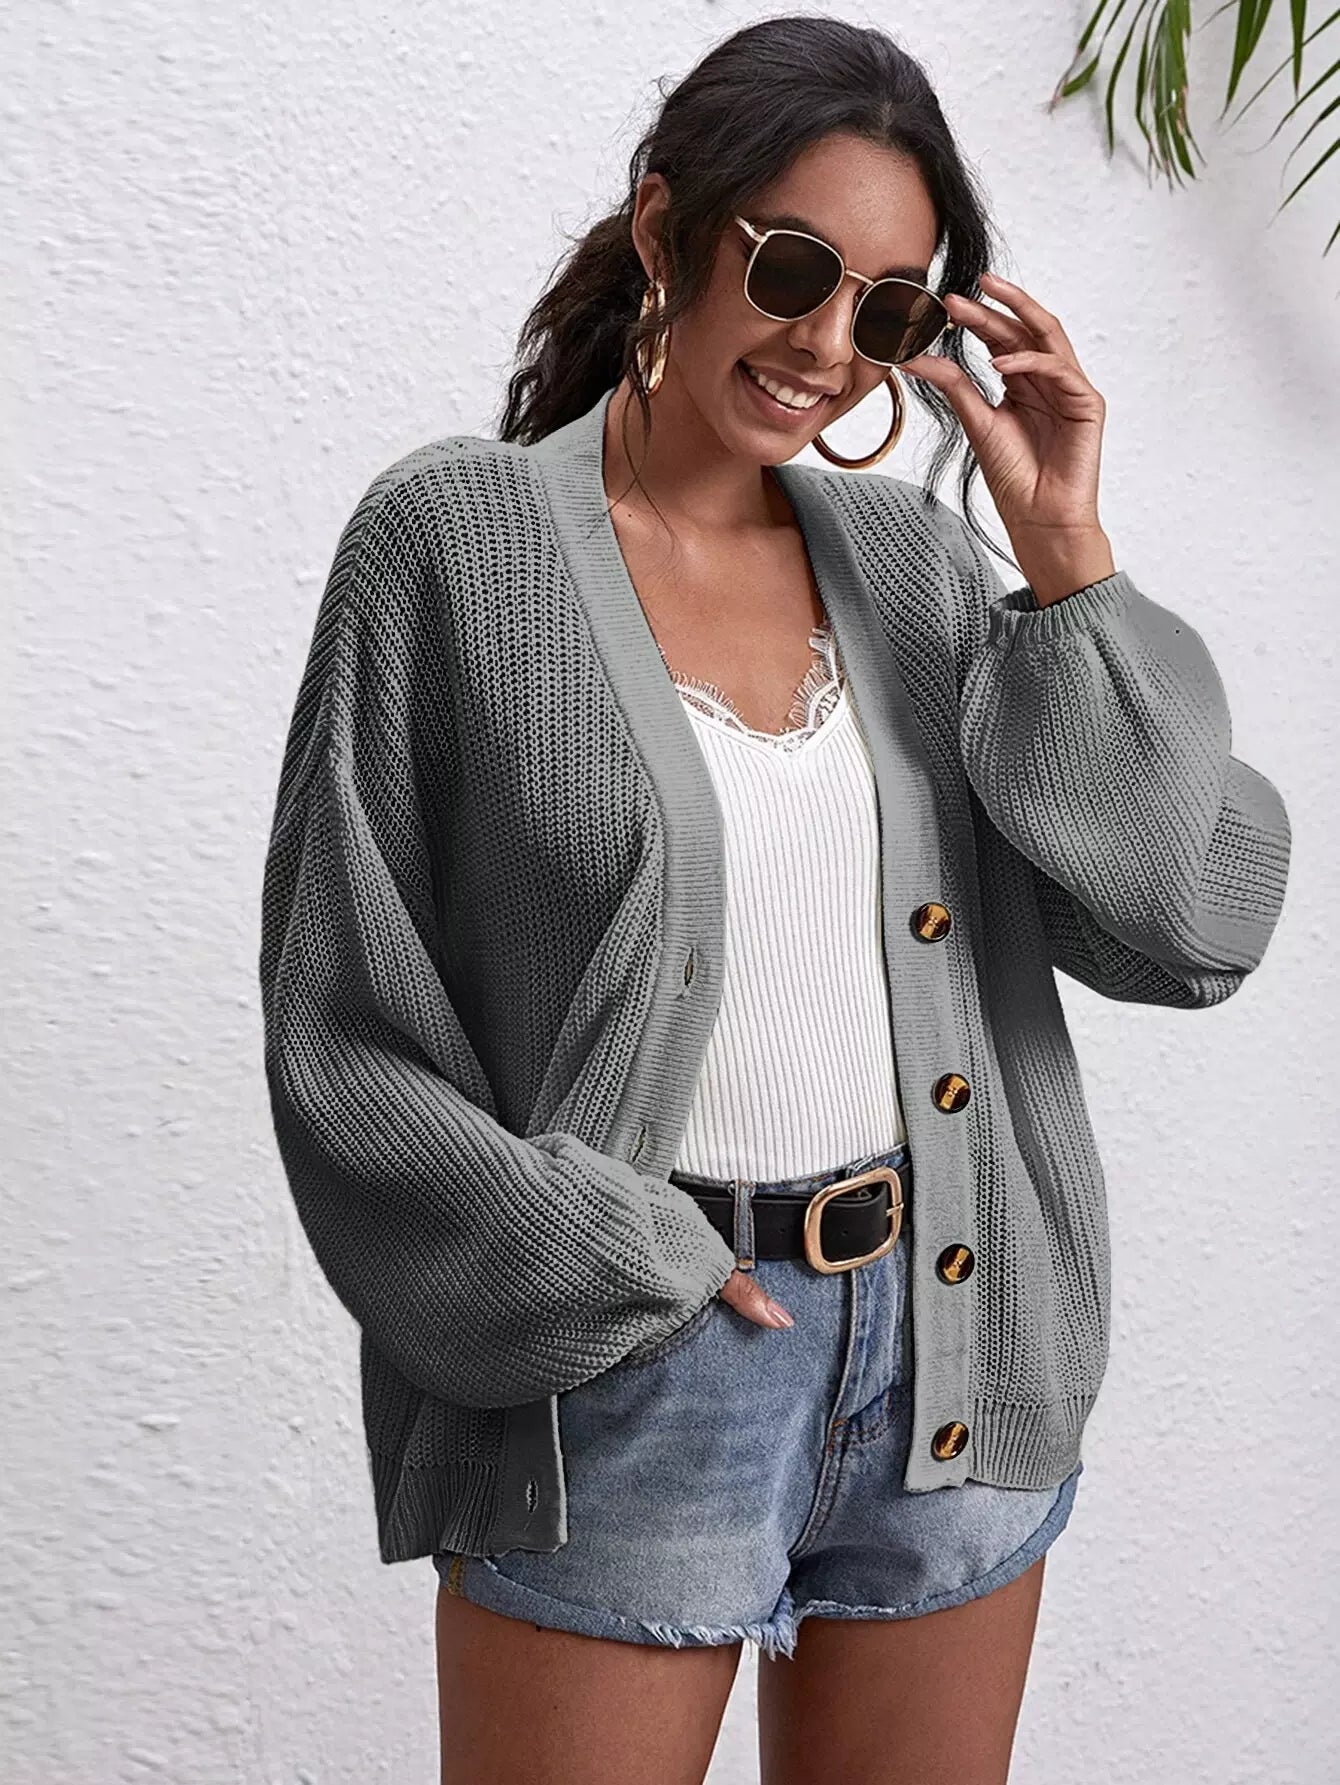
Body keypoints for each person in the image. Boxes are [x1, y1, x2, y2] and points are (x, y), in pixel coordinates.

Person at [257, 16, 1291, 1785]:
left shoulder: (916, 567)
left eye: (885, 310)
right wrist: (618, 1261)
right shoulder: (452, 546)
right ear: (668, 227)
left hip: (954, 1355)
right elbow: (341, 1024)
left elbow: (1190, 918)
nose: (824, 345)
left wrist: (1066, 558)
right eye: (793, 267)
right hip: (634, 1367)